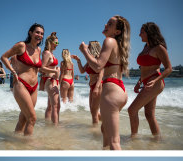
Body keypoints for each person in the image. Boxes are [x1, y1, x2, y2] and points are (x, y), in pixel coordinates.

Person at [80, 16, 130, 150]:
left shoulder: (109, 41)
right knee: (105, 130)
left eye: (110, 24)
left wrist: (85, 50)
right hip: (120, 90)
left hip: (111, 92)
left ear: (117, 31)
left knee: (115, 142)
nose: (105, 24)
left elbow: (98, 66)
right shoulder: (119, 45)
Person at [128, 22, 172, 140]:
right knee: (149, 115)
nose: (139, 35)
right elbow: (144, 68)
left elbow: (169, 68)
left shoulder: (159, 48)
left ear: (149, 33)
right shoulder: (145, 47)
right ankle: (158, 140)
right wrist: (139, 81)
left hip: (155, 82)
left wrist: (155, 80)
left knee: (132, 110)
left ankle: (133, 139)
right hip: (146, 82)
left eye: (142, 32)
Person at [1, 23, 45, 135]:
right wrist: (13, 71)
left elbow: (35, 69)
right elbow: (4, 57)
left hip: (34, 87)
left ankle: (16, 141)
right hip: (21, 85)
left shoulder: (39, 50)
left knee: (24, 118)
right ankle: (28, 147)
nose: (39, 35)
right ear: (30, 33)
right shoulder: (22, 46)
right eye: (37, 32)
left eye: (42, 33)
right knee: (32, 118)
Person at [73, 41, 103, 124]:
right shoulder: (90, 59)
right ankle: (108, 121)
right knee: (93, 111)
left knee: (94, 112)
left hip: (98, 85)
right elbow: (82, 71)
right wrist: (78, 61)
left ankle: (95, 133)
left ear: (93, 47)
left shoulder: (99, 58)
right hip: (91, 85)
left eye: (88, 46)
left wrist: (97, 87)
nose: (86, 47)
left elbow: (101, 73)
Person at [41, 32, 61, 124]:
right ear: (50, 42)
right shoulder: (47, 53)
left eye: (58, 43)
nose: (57, 45)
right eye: (56, 43)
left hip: (54, 80)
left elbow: (48, 66)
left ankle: (47, 124)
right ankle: (56, 127)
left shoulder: (51, 53)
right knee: (55, 106)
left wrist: (56, 69)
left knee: (50, 105)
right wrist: (55, 71)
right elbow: (42, 67)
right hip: (49, 80)